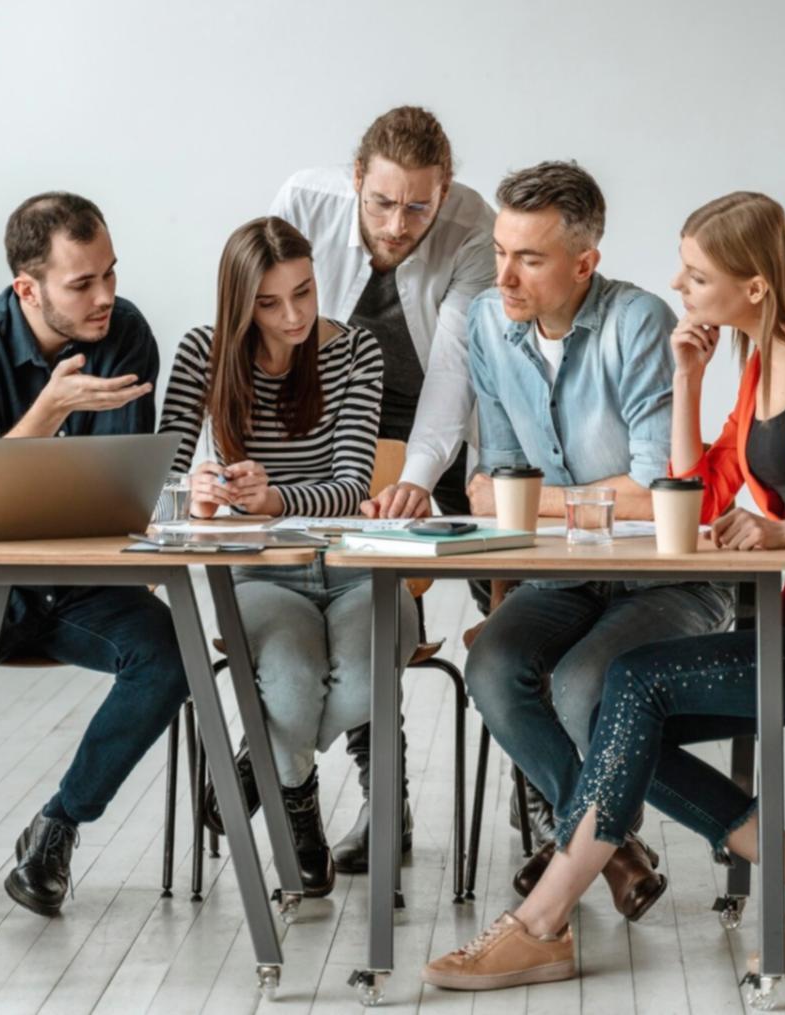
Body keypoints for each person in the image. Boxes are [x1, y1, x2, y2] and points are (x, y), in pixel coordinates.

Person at [424, 191, 785, 990]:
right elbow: (696, 492)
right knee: (622, 709)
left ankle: (541, 921)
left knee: (635, 683)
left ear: (753, 286)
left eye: (696, 272)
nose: (678, 283)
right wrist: (688, 378)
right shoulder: (757, 362)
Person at [0, 192, 189, 919]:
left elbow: (113, 487)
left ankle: (58, 825)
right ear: (28, 287)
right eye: (82, 283)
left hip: (75, 580)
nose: (106, 295)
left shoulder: (127, 333)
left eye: (110, 273)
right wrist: (48, 412)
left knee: (171, 658)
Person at [459, 161, 734, 916]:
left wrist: (537, 502)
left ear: (585, 263)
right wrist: (549, 502)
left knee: (586, 683)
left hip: (667, 578)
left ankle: (577, 850)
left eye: (531, 258)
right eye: (500, 250)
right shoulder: (487, 321)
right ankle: (614, 848)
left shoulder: (637, 322)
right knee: (493, 661)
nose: (505, 276)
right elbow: (493, 482)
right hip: (566, 573)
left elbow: (654, 489)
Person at [158, 216, 419, 896]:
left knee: (365, 684)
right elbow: (158, 485)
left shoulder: (355, 348)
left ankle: (261, 768)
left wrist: (274, 498)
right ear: (239, 304)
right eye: (270, 304)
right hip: (265, 575)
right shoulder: (203, 354)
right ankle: (297, 808)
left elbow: (351, 485)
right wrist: (198, 492)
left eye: (304, 291)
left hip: (363, 568)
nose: (296, 314)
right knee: (295, 684)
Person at [270, 105, 497, 870]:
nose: (399, 225)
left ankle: (545, 794)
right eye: (383, 202)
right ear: (356, 178)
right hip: (334, 413)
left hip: (441, 414)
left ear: (446, 191)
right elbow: (267, 327)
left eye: (418, 207)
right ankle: (385, 804)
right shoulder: (305, 202)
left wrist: (415, 481)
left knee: (512, 585)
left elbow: (454, 373)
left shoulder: (473, 227)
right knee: (359, 594)